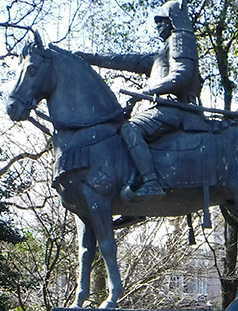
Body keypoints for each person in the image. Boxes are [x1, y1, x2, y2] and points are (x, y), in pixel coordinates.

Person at [75, 0, 206, 202]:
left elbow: (181, 75)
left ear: (173, 21)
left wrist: (144, 92)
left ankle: (151, 183)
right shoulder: (162, 52)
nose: (158, 27)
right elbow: (127, 60)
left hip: (177, 108)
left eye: (161, 22)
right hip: (164, 108)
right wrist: (90, 58)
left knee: (130, 129)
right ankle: (132, 189)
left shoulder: (180, 39)